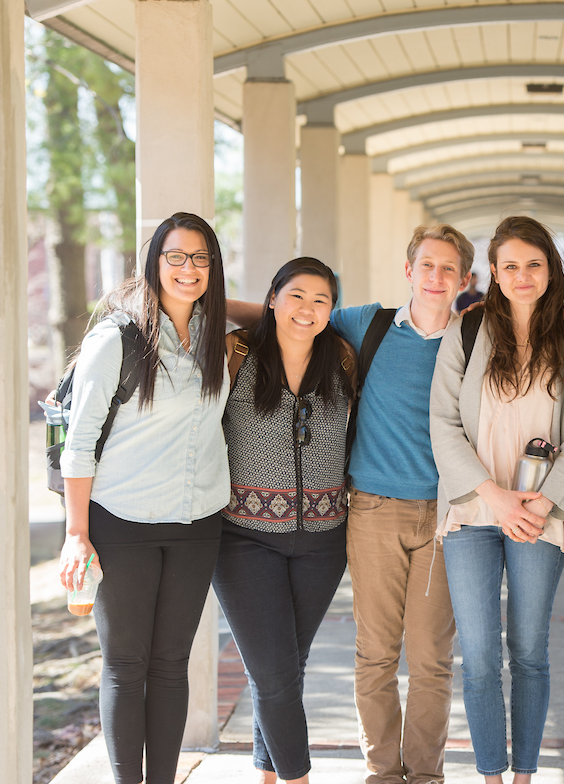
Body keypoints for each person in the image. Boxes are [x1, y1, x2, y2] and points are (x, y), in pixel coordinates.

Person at [229, 224, 475, 784]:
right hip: (372, 512)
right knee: (376, 655)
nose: (436, 277)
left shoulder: (476, 340)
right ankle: (382, 773)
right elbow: (293, 316)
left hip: (447, 516)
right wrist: (194, 293)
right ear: (408, 269)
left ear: (465, 279)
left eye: (448, 269)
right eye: (426, 265)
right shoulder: (369, 324)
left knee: (432, 660)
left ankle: (426, 775)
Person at [58, 212, 230, 784]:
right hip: (121, 521)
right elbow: (78, 446)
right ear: (152, 262)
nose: (188, 269)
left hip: (197, 519)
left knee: (171, 665)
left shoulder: (215, 334)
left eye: (200, 258)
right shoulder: (115, 338)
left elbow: (272, 309)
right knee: (127, 666)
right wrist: (75, 535)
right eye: (175, 257)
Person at [429, 216, 564, 783]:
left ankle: (525, 774)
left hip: (540, 516)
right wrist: (494, 498)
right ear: (494, 274)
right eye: (510, 266)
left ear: (551, 270)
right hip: (474, 510)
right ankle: (491, 775)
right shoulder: (467, 331)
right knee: (478, 657)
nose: (522, 276)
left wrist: (542, 502)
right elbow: (443, 423)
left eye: (534, 264)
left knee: (528, 651)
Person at [213, 257, 355, 784]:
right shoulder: (235, 353)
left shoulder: (342, 357)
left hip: (323, 541)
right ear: (271, 297)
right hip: (243, 540)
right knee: (272, 672)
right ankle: (299, 778)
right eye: (295, 295)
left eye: (321, 300)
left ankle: (268, 776)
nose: (307, 309)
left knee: (285, 669)